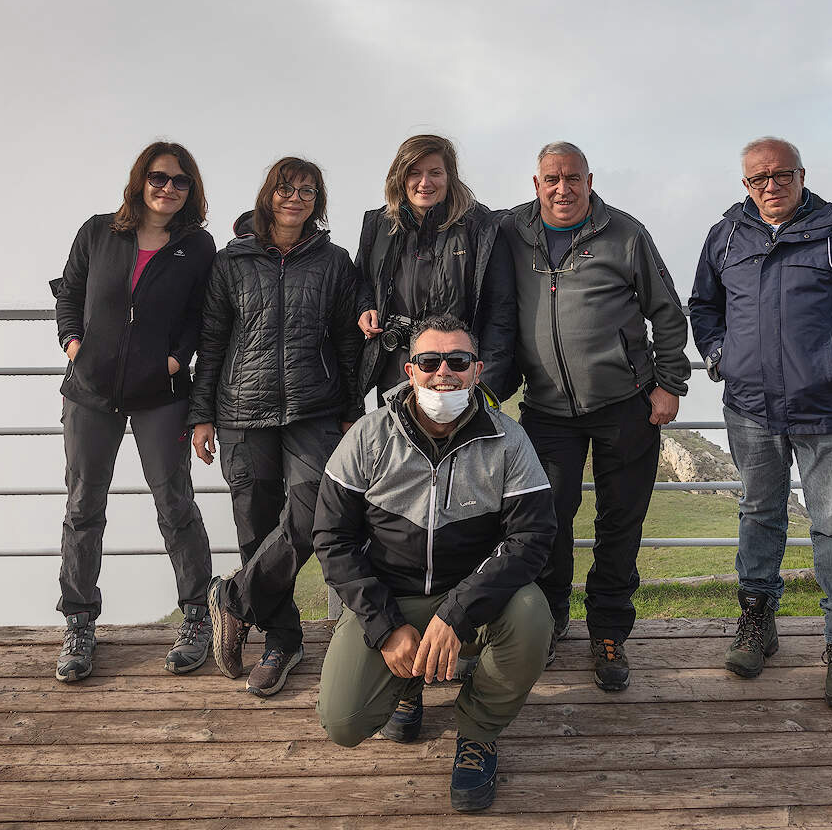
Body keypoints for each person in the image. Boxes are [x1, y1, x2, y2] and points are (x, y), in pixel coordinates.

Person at [314, 315, 555, 814]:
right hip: (390, 597)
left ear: (478, 370)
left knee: (533, 614)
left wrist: (457, 613)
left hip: (470, 598)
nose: (443, 371)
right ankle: (407, 684)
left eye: (458, 360)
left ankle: (478, 731)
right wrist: (384, 628)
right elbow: (332, 538)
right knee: (343, 722)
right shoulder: (368, 436)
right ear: (409, 369)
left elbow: (532, 538)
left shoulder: (508, 440)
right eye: (429, 361)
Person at [687, 136, 832, 712]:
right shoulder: (726, 235)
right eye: (758, 179)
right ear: (745, 184)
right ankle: (758, 625)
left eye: (781, 175)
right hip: (750, 406)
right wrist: (718, 357)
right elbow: (703, 305)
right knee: (758, 514)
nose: (770, 186)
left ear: (802, 175)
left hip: (823, 410)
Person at [502, 141, 691, 691]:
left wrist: (669, 384)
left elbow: (667, 312)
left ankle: (608, 632)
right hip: (545, 411)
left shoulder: (626, 233)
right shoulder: (512, 232)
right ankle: (553, 618)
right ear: (535, 184)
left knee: (620, 525)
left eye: (573, 179)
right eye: (551, 179)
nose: (563, 189)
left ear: (590, 180)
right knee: (546, 523)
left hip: (625, 405)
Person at [188, 156, 363, 697]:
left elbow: (349, 339)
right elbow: (212, 342)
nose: (296, 197)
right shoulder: (231, 261)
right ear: (268, 194)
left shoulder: (334, 261)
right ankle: (283, 643)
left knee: (314, 510)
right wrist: (201, 414)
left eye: (308, 190)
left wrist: (353, 405)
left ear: (319, 202)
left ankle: (235, 599)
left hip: (315, 407)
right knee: (256, 526)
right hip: (241, 408)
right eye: (286, 188)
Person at [52, 140, 217, 682]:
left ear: (191, 190)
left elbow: (201, 314)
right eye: (158, 177)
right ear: (139, 181)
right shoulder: (99, 231)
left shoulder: (197, 247)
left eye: (180, 181)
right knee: (83, 506)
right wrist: (73, 344)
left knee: (175, 503)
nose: (168, 188)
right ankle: (78, 624)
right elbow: (69, 290)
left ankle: (197, 617)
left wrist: (174, 360)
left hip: (160, 396)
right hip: (90, 393)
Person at [355, 134, 517, 403]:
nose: (424, 183)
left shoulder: (483, 228)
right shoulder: (378, 226)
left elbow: (501, 315)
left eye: (435, 173)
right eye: (414, 173)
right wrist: (365, 306)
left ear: (450, 176)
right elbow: (361, 281)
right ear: (400, 177)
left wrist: (486, 387)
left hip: (458, 373)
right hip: (396, 372)